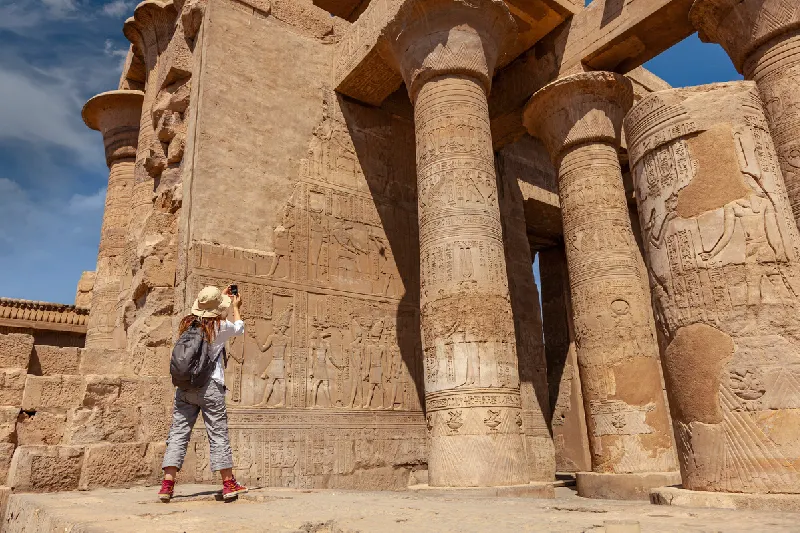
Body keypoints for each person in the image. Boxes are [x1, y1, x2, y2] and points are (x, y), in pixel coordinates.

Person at [158, 285, 248, 502]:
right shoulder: (221, 326)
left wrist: (218, 301)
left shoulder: (187, 323)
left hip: (185, 387)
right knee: (217, 433)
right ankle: (228, 483)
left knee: (178, 433)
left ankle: (167, 485)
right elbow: (240, 327)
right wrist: (235, 306)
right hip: (210, 387)